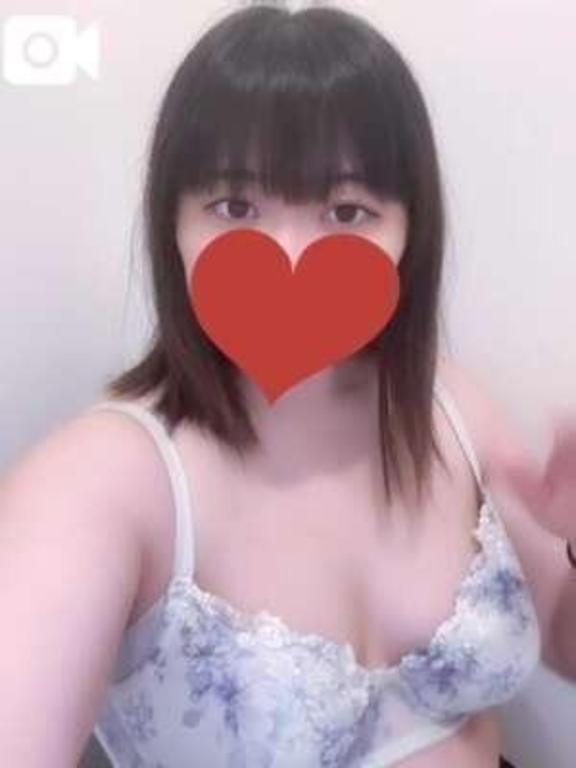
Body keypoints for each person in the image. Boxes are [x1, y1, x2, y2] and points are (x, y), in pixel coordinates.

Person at [9, 2, 576, 766]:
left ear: (410, 230)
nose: (291, 256)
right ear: (172, 222)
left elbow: (566, 645)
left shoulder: (446, 403)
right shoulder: (98, 483)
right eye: (236, 206)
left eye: (347, 210)